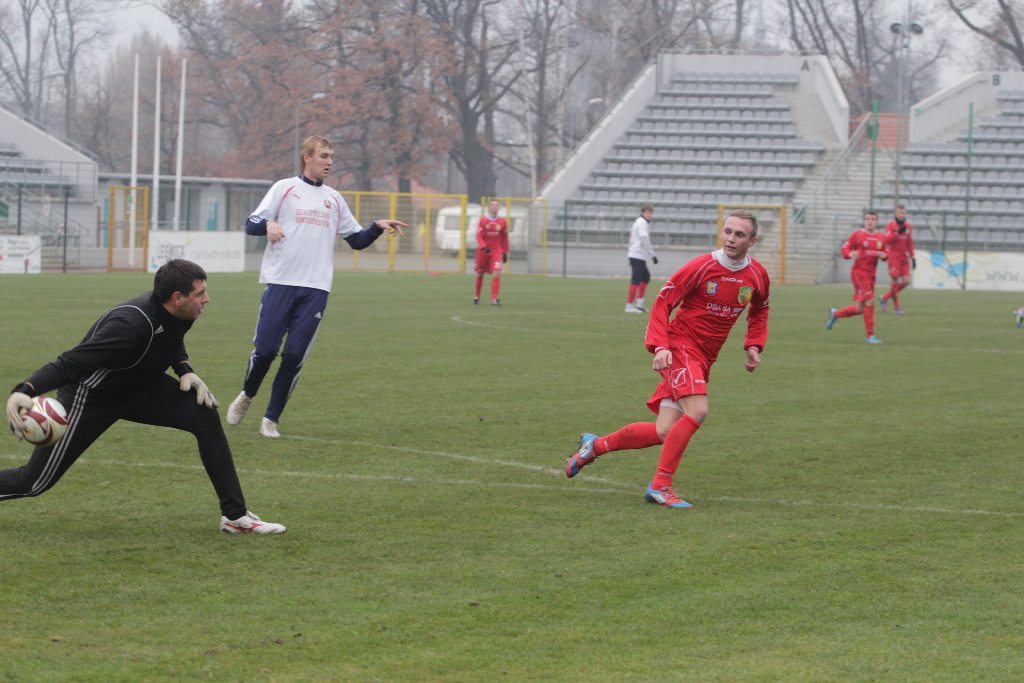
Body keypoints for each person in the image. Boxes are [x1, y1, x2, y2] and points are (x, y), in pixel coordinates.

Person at [3, 259, 286, 534]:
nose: (207, 299)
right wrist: (25, 390)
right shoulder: (129, 326)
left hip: (140, 386)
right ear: (177, 297)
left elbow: (172, 341)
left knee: (204, 414)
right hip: (92, 397)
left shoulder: (182, 312)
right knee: (34, 482)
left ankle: (235, 517)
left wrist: (184, 369)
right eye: (200, 294)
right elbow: (69, 364)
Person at [565, 211, 770, 508]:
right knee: (698, 410)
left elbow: (760, 309)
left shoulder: (757, 275)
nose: (731, 239)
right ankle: (660, 485)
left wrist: (753, 345)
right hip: (681, 347)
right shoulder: (702, 267)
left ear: (752, 241)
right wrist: (661, 346)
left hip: (705, 357)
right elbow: (664, 301)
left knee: (664, 431)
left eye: (739, 235)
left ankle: (593, 447)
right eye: (727, 232)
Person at [225, 135, 407, 438]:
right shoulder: (284, 189)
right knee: (266, 350)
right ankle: (247, 394)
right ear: (306, 157)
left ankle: (271, 419)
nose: (329, 162)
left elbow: (356, 241)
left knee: (295, 355)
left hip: (316, 289)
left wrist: (376, 227)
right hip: (281, 282)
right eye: (324, 156)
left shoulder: (334, 199)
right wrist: (267, 225)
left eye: (332, 156)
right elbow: (251, 223)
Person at [825, 211, 887, 344]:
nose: (870, 221)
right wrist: (850, 254)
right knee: (870, 301)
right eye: (867, 219)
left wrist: (884, 256)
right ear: (864, 221)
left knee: (860, 309)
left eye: (873, 219)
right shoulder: (857, 235)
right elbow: (844, 249)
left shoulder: (881, 237)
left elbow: (885, 252)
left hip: (871, 275)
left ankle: (835, 314)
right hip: (859, 273)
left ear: (876, 221)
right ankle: (870, 336)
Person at [880, 204, 915, 314]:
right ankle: (897, 308)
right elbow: (886, 240)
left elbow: (909, 242)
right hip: (894, 256)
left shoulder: (908, 226)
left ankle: (885, 297)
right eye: (900, 212)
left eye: (903, 213)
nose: (901, 215)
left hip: (904, 257)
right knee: (895, 282)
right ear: (896, 213)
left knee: (906, 281)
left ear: (906, 214)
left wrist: (913, 256)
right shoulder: (890, 226)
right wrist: (897, 232)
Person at [473, 199, 509, 305]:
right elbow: (479, 235)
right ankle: (477, 296)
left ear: (499, 208)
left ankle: (494, 299)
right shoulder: (483, 220)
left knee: (496, 273)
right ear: (489, 207)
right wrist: (483, 247)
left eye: (496, 205)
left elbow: (504, 238)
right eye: (493, 205)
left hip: (496, 251)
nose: (495, 207)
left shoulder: (502, 222)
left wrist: (505, 252)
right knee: (480, 274)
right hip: (483, 251)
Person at [625, 204, 658, 313]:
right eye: (648, 212)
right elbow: (644, 239)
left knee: (645, 278)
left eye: (651, 213)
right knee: (636, 280)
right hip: (637, 255)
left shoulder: (640, 222)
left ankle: (639, 304)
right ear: (643, 212)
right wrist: (652, 254)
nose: (649, 215)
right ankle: (629, 306)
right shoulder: (642, 223)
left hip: (638, 255)